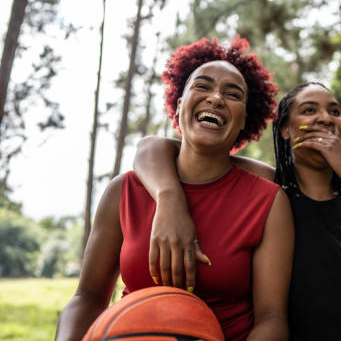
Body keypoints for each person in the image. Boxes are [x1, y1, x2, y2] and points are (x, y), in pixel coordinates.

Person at [134, 82, 341, 340]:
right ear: (285, 129)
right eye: (310, 110)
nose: (325, 118)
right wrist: (168, 198)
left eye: (334, 112)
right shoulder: (271, 188)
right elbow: (155, 148)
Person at [55, 36, 294, 341]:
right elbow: (88, 297)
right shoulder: (124, 191)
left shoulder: (268, 201)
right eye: (203, 86)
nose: (216, 98)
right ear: (180, 104)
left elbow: (272, 318)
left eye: (232, 94)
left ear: (244, 118)